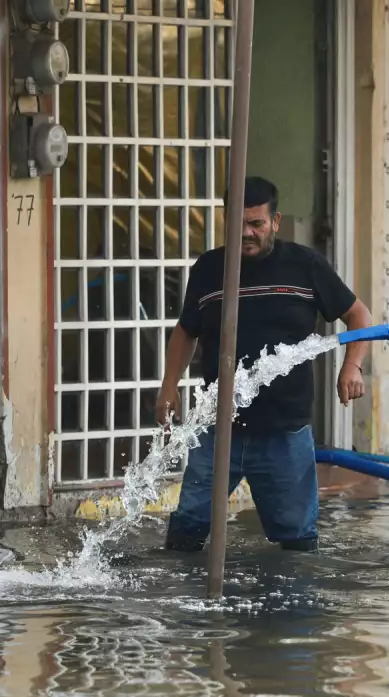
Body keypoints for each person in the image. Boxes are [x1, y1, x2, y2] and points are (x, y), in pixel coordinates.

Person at [156, 176, 372, 553]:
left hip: (284, 433)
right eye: (238, 223)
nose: (247, 233)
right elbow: (186, 331)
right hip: (219, 429)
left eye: (256, 223)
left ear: (276, 221)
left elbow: (359, 315)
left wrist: (352, 365)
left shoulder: (304, 266)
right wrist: (169, 384)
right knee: (185, 532)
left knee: (296, 542)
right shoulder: (209, 269)